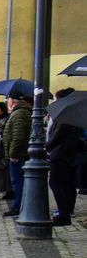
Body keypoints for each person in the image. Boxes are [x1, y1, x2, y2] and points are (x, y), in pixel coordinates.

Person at [47, 88, 84, 226]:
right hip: (67, 153)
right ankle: (66, 211)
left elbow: (58, 135)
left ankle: (63, 214)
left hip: (61, 153)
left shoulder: (66, 115)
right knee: (66, 183)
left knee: (56, 183)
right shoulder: (72, 113)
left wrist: (46, 148)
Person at [2, 93, 33, 218]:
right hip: (22, 153)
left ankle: (19, 205)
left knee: (18, 181)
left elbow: (18, 136)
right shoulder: (23, 111)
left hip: (19, 155)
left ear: (12, 100)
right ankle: (22, 204)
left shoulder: (19, 113)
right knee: (20, 181)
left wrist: (13, 154)